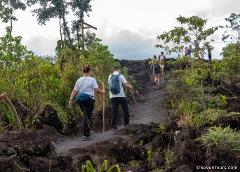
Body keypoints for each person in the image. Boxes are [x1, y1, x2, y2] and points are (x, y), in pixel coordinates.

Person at [69, 65, 105, 141]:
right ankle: (86, 135)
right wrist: (102, 91)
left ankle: (87, 132)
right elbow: (96, 89)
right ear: (90, 71)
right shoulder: (92, 79)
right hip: (89, 99)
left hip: (80, 99)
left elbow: (74, 91)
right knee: (88, 116)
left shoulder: (79, 80)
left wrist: (71, 100)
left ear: (83, 72)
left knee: (86, 116)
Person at [108, 64, 133, 130]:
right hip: (121, 95)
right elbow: (125, 84)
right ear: (119, 69)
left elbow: (109, 85)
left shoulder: (110, 76)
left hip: (112, 96)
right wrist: (130, 86)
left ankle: (114, 126)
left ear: (113, 69)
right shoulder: (120, 76)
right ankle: (126, 123)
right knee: (125, 109)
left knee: (114, 111)